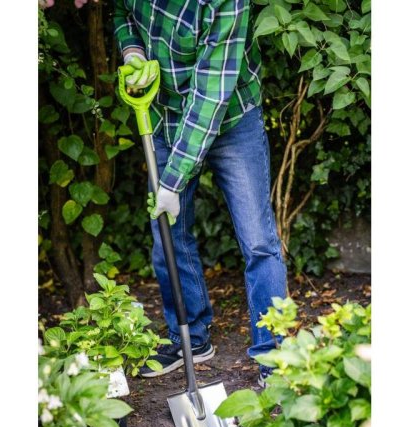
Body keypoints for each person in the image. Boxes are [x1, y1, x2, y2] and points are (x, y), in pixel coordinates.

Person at [114, 0, 287, 387]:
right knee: (167, 235)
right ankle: (190, 338)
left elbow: (210, 96)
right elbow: (121, 13)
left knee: (259, 242)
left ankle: (274, 357)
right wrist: (132, 50)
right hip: (164, 114)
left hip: (230, 116)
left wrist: (172, 181)